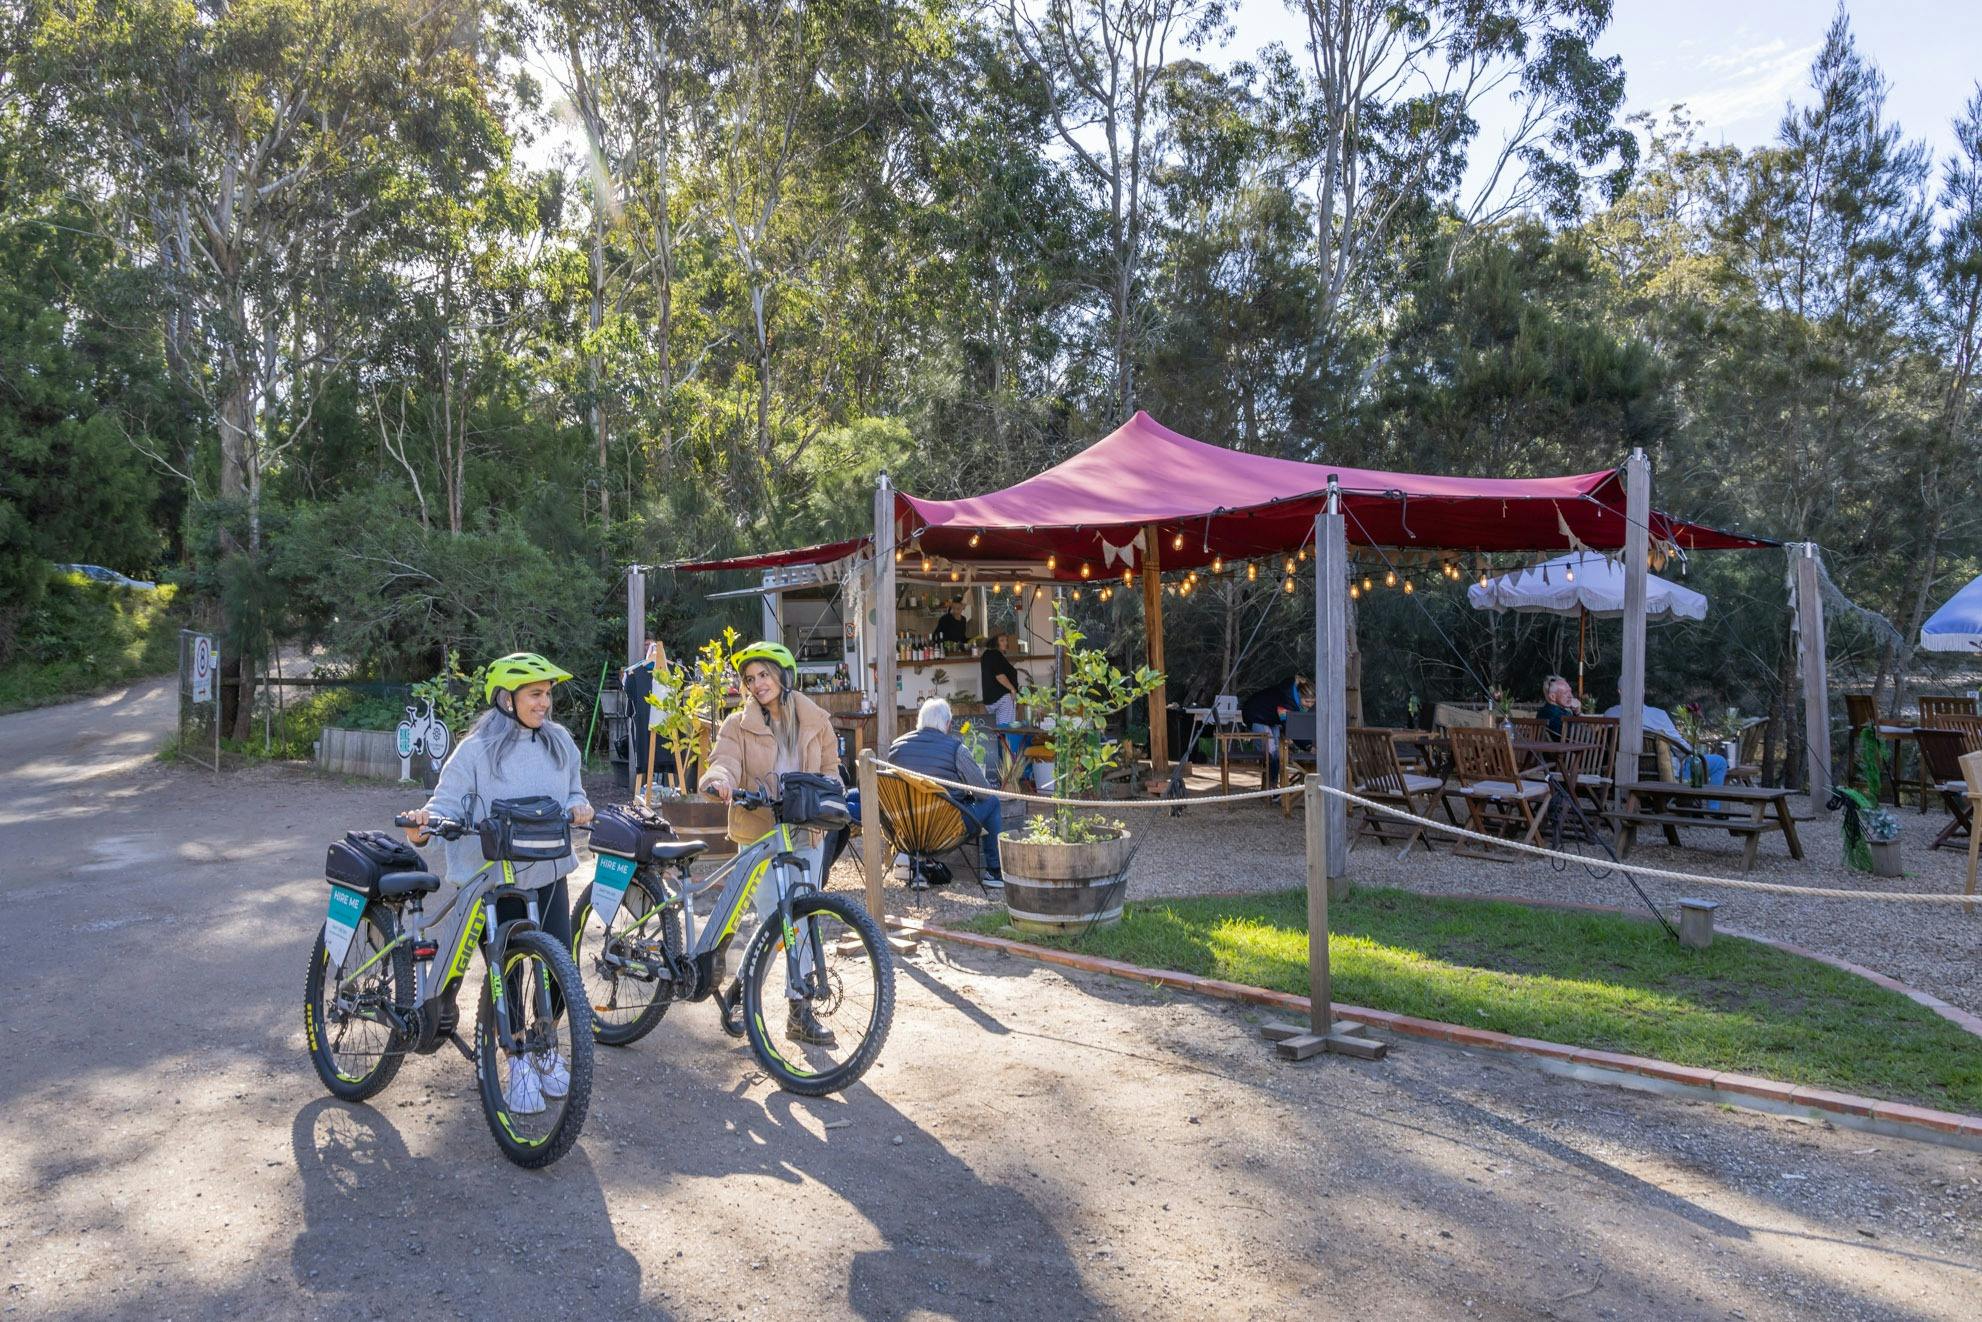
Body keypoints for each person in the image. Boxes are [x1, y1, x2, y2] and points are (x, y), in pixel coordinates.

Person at [403, 652, 593, 1114]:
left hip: (548, 872)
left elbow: (574, 791)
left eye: (548, 694)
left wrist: (580, 805)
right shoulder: (475, 750)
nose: (544, 703)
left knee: (558, 969)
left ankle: (544, 1047)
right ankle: (516, 1059)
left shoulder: (560, 742)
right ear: (506, 699)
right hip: (498, 880)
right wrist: (428, 820)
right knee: (506, 972)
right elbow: (446, 801)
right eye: (535, 694)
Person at [696, 640, 843, 1045]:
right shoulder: (736, 725)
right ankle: (745, 989)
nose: (758, 684)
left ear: (784, 675)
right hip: (761, 830)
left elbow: (832, 771)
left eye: (764, 674)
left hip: (805, 828)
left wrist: (831, 792)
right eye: (750, 679)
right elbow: (724, 761)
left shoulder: (816, 720)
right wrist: (720, 781)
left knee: (805, 917)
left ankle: (799, 1012)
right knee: (772, 926)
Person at [887, 697, 1003, 884]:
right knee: (992, 802)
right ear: (948, 724)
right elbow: (983, 793)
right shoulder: (956, 749)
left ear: (920, 720)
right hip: (945, 831)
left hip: (907, 831)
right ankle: (995, 872)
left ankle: (914, 865)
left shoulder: (897, 747)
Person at [1239, 675, 1310, 781]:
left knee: (1277, 753)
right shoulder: (1286, 704)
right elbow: (1291, 727)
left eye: (1313, 702)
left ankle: (1273, 785)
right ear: (1299, 697)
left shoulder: (1290, 691)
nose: (1310, 705)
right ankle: (1272, 787)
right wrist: (1308, 746)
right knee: (1271, 753)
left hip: (1270, 718)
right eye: (1307, 701)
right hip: (1256, 715)